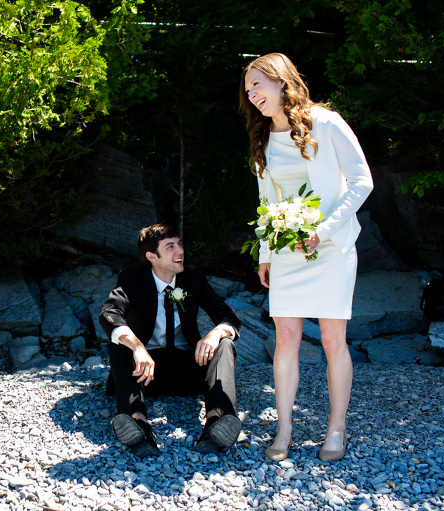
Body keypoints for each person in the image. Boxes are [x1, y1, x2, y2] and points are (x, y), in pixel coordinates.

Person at [239, 53, 374, 462]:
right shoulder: (263, 138)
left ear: (281, 81)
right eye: (248, 90)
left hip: (330, 249)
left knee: (333, 340)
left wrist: (324, 230)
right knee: (286, 340)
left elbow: (362, 182)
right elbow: (267, 200)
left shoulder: (326, 123)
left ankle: (336, 430)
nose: (252, 95)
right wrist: (265, 252)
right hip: (286, 253)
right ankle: (284, 431)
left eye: (257, 84)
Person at [99, 224, 242, 458]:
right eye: (171, 247)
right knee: (119, 342)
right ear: (151, 256)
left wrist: (214, 334)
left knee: (225, 342)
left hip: (190, 371)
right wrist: (137, 347)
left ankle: (218, 419)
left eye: (180, 244)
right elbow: (109, 313)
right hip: (145, 374)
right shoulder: (131, 279)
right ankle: (137, 423)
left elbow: (228, 316)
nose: (180, 251)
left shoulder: (194, 277)